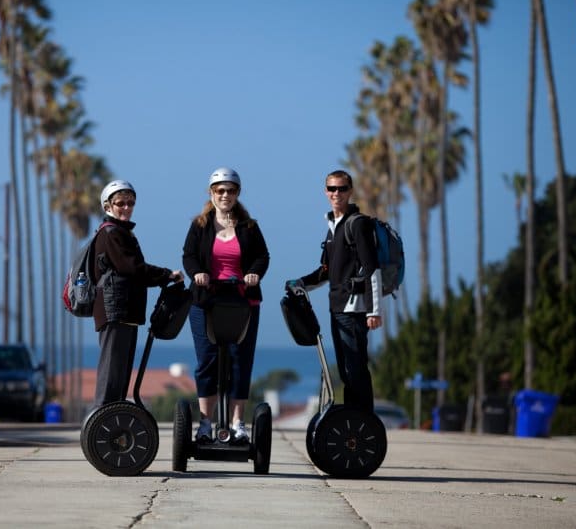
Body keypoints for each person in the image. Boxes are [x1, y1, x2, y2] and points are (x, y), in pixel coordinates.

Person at [182, 167, 270, 443]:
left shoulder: (249, 227)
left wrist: (254, 274)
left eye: (230, 190)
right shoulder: (200, 225)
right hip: (206, 301)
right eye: (220, 190)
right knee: (206, 360)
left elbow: (262, 256)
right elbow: (188, 255)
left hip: (242, 301)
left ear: (237, 193)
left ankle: (237, 423)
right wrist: (197, 273)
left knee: (239, 360)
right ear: (211, 193)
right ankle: (206, 423)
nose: (225, 195)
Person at [291, 169, 382, 414]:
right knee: (345, 369)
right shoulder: (332, 225)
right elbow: (326, 271)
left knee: (355, 367)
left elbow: (372, 268)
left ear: (350, 191)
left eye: (341, 188)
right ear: (325, 192)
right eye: (332, 189)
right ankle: (354, 418)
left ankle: (363, 420)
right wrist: (299, 282)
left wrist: (373, 311)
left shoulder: (357, 224)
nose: (336, 193)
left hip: (354, 309)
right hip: (337, 307)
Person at [92, 179, 184, 407]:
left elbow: (133, 271)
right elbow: (131, 268)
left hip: (127, 312)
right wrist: (167, 275)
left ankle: (112, 424)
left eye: (130, 203)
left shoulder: (123, 233)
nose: (126, 208)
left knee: (121, 375)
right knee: (111, 377)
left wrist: (162, 277)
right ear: (107, 206)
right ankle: (100, 423)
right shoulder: (112, 233)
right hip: (114, 312)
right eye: (120, 203)